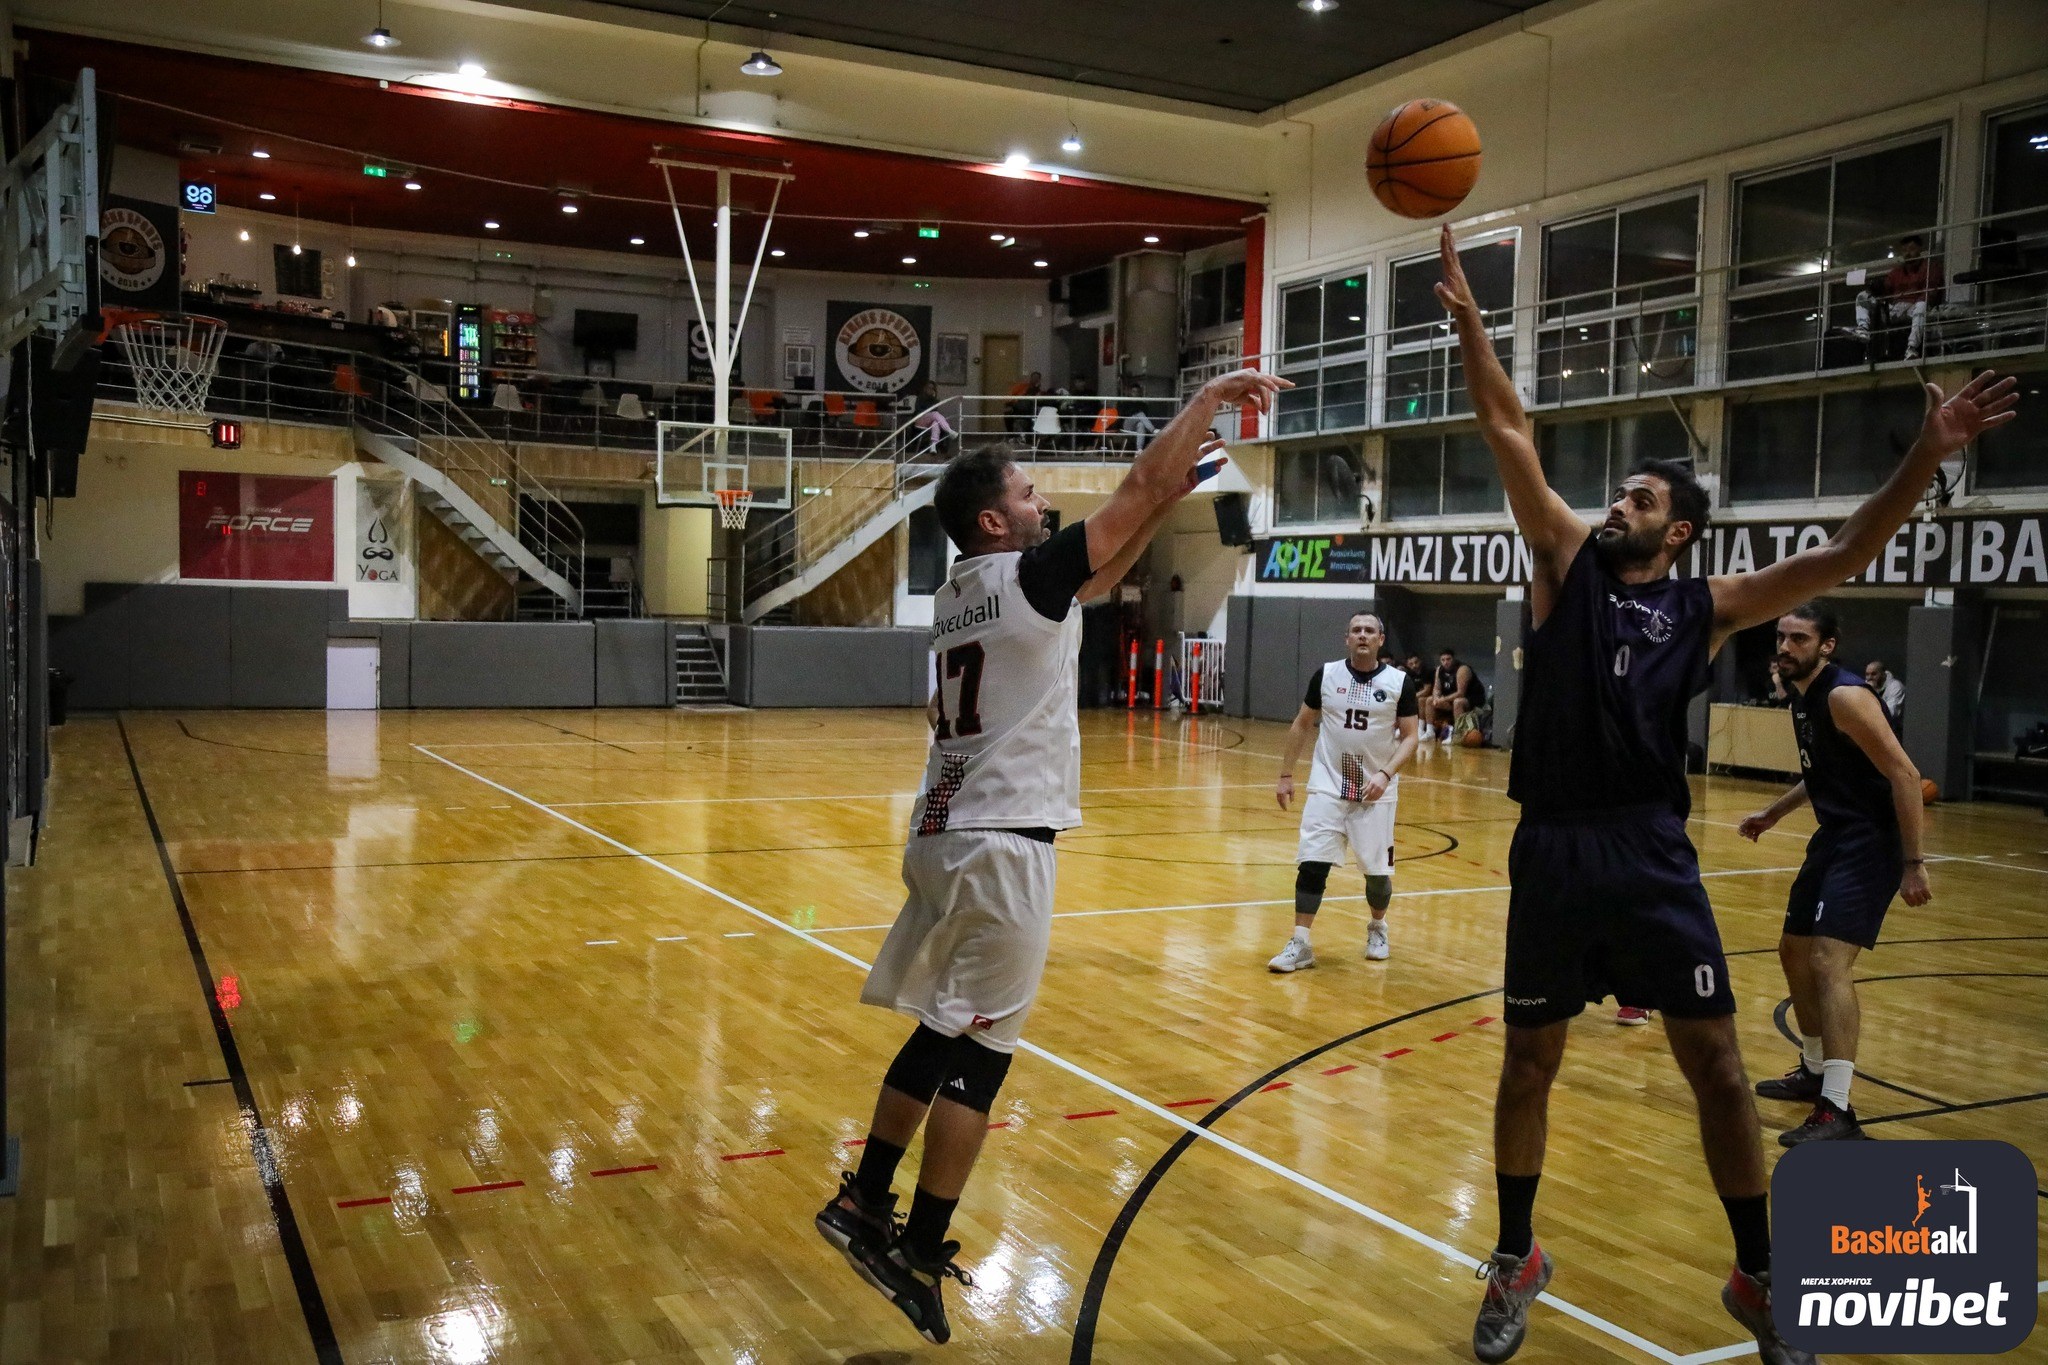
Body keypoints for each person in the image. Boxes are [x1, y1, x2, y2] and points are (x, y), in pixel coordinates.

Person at [1435, 222, 2015, 1365]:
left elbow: (1846, 552)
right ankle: (1516, 1255)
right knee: (1527, 1063)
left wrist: (1927, 451)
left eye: (1642, 496)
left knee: (1711, 1066)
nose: (1619, 502)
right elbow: (1505, 427)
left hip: (1650, 852)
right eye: (1620, 491)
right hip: (1552, 847)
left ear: (1679, 528)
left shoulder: (1708, 605)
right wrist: (1469, 326)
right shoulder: (1559, 561)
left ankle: (1758, 1276)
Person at [814, 367, 1288, 1346]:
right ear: (994, 522)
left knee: (941, 1030)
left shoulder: (965, 591)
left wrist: (1175, 489)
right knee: (981, 1058)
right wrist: (1204, 403)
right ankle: (918, 1243)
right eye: (1028, 495)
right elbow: (1133, 495)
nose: (1043, 504)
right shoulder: (1028, 574)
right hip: (1000, 843)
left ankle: (864, 1198)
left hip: (944, 832)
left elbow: (1107, 567)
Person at [1739, 604, 1931, 1146]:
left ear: (1826, 646)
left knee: (1828, 959)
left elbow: (1906, 773)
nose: (1785, 646)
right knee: (1792, 950)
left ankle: (1838, 1109)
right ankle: (1816, 1069)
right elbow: (1823, 775)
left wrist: (1912, 862)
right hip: (1836, 835)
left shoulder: (1846, 696)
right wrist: (1774, 813)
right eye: (1780, 636)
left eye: (1798, 638)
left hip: (1873, 840)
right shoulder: (1801, 696)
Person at [1268, 611, 1421, 972]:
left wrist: (1386, 773)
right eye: (1356, 630)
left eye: (1370, 630)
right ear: (1347, 639)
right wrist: (1286, 774)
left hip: (1374, 789)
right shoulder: (1327, 675)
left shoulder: (1400, 682)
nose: (1363, 635)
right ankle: (1300, 943)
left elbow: (1411, 736)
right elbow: (1303, 723)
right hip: (1328, 784)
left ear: (1381, 640)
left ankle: (1378, 927)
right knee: (1312, 864)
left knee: (1377, 874)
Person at [1852, 234, 1944, 361]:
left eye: (1911, 249)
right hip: (1897, 308)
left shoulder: (1930, 268)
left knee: (1921, 306)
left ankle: (1912, 348)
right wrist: (1875, 287)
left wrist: (1920, 300)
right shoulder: (1897, 272)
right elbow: (1885, 288)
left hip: (1916, 306)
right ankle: (1863, 329)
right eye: (1905, 250)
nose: (1908, 253)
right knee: (1863, 296)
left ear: (1919, 249)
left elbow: (1931, 291)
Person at [1427, 649, 1486, 742]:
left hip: (1472, 698)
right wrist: (1436, 698)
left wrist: (1442, 700)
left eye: (1448, 659)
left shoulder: (1462, 669)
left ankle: (1458, 734)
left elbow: (1460, 693)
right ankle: (1429, 731)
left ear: (1453, 659)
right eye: (1443, 660)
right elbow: (1436, 688)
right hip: (1451, 698)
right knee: (1429, 700)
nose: (1446, 662)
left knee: (1458, 702)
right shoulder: (1439, 670)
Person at [911, 380, 956, 456]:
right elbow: (919, 409)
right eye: (929, 388)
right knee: (936, 414)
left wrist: (934, 398)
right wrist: (928, 412)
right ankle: (949, 431)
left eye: (932, 388)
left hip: (930, 421)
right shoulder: (920, 397)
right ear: (925, 388)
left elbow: (934, 409)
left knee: (936, 423)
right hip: (920, 420)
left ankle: (933, 446)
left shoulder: (935, 400)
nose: (930, 390)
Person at [1862, 659, 1905, 732]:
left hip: (1894, 732)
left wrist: (1871, 693)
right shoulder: (1867, 685)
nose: (1869, 678)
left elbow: (1890, 714)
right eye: (1867, 674)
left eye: (1874, 674)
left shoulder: (1896, 687)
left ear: (1883, 674)